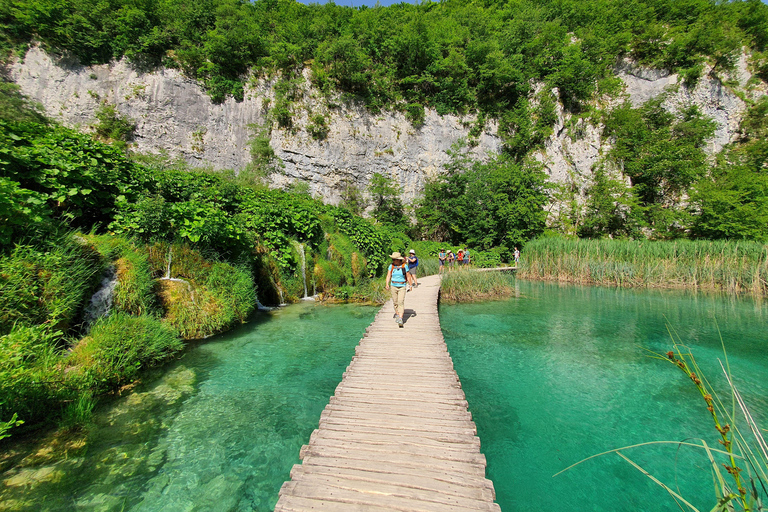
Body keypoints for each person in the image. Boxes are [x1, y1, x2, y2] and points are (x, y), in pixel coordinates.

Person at [385, 252, 413, 327]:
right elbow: (388, 275)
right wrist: (387, 284)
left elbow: (408, 276)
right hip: (393, 285)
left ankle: (400, 318)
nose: (393, 260)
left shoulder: (404, 266)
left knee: (400, 301)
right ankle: (397, 314)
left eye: (394, 259)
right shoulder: (391, 266)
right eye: (393, 259)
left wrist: (410, 285)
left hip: (402, 286)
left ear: (398, 260)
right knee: (395, 302)